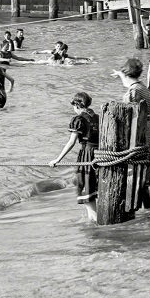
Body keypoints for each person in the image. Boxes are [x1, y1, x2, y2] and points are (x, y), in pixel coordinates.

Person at [49, 92, 100, 222]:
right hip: (100, 155)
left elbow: (71, 142)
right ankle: (92, 219)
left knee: (86, 188)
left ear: (77, 105)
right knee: (92, 189)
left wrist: (57, 159)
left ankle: (96, 221)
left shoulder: (79, 119)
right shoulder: (98, 117)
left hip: (87, 155)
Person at [112, 58, 150, 207]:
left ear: (127, 73)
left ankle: (132, 207)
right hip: (148, 128)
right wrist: (120, 74)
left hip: (139, 130)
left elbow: (127, 115)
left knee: (136, 169)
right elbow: (128, 82)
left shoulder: (133, 92)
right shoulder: (141, 86)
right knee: (143, 169)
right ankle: (147, 208)